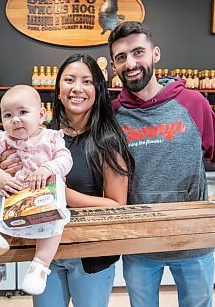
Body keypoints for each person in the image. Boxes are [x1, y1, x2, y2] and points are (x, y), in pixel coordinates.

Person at [108, 21, 215, 307]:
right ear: (114, 66)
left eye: (138, 52)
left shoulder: (192, 102)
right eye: (121, 57)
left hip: (194, 238)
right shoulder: (112, 115)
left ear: (155, 54)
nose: (131, 63)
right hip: (140, 241)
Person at [25, 53, 133, 306]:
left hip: (92, 256)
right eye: (69, 80)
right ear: (58, 90)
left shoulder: (107, 142)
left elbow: (118, 206)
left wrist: (64, 195)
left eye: (86, 81)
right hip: (45, 255)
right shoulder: (40, 136)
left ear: (98, 91)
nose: (77, 88)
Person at [0, 85, 73, 295]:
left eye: (23, 112)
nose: (15, 119)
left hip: (41, 196)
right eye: (8, 115)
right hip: (10, 194)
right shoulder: (1, 139)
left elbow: (65, 160)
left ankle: (40, 266)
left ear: (41, 115)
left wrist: (47, 168)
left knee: (56, 221)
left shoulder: (51, 138)